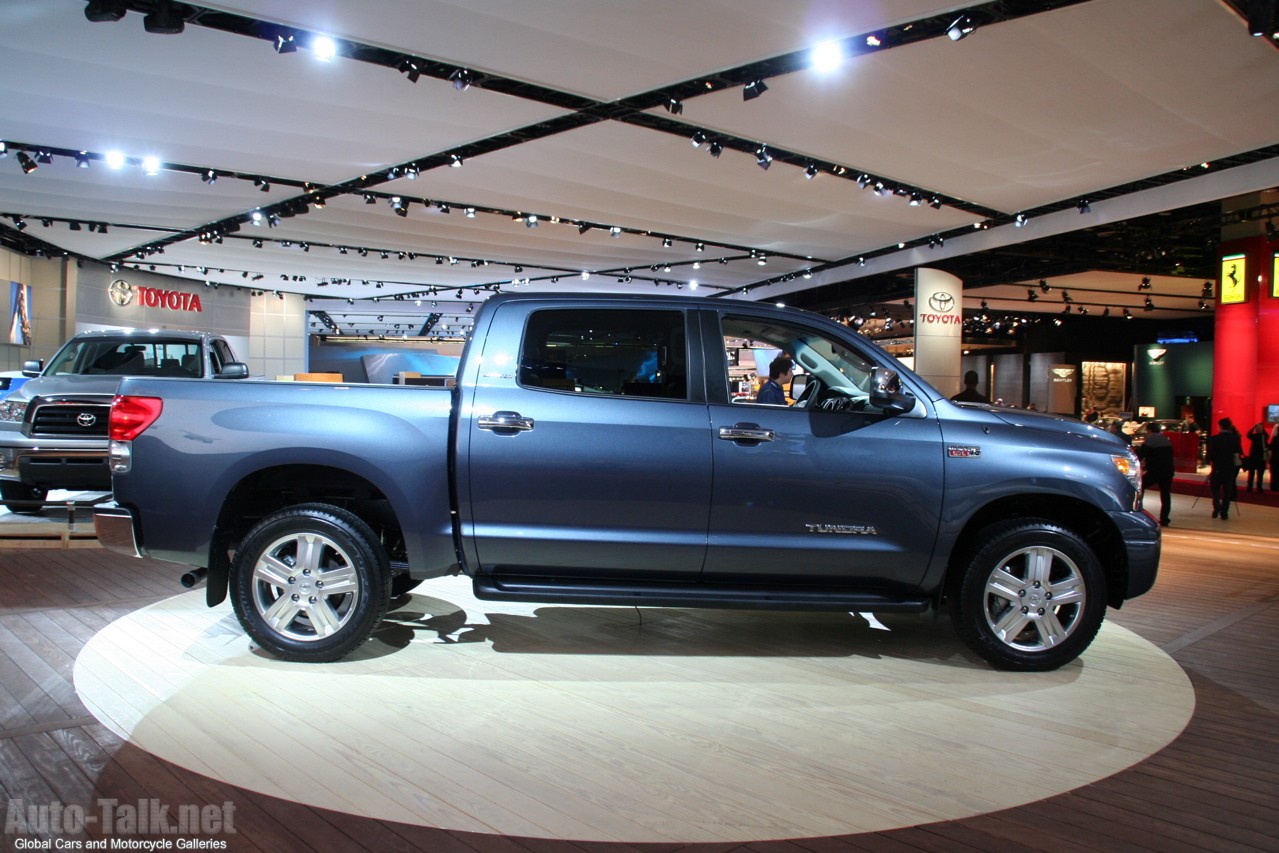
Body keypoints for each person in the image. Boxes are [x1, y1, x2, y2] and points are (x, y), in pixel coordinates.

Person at [1137, 422, 1174, 526]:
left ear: (1149, 431)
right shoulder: (1166, 439)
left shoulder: (1151, 440)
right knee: (1165, 494)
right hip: (1168, 471)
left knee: (1141, 487)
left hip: (1155, 471)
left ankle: (1139, 511)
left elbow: (1141, 454)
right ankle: (1165, 519)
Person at [1206, 417, 1243, 520]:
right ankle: (1224, 512)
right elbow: (1238, 453)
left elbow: (1210, 456)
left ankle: (1217, 506)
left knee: (1215, 489)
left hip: (1217, 467)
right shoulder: (1235, 439)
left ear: (1220, 426)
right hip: (1230, 468)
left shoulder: (1214, 439)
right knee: (1227, 491)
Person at [1245, 419, 1269, 491]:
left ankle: (1250, 487)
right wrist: (1261, 427)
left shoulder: (1255, 436)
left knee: (1253, 473)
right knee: (1259, 474)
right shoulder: (1263, 436)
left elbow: (1248, 434)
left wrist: (1254, 426)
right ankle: (1258, 488)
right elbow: (1248, 434)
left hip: (1254, 457)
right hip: (1259, 457)